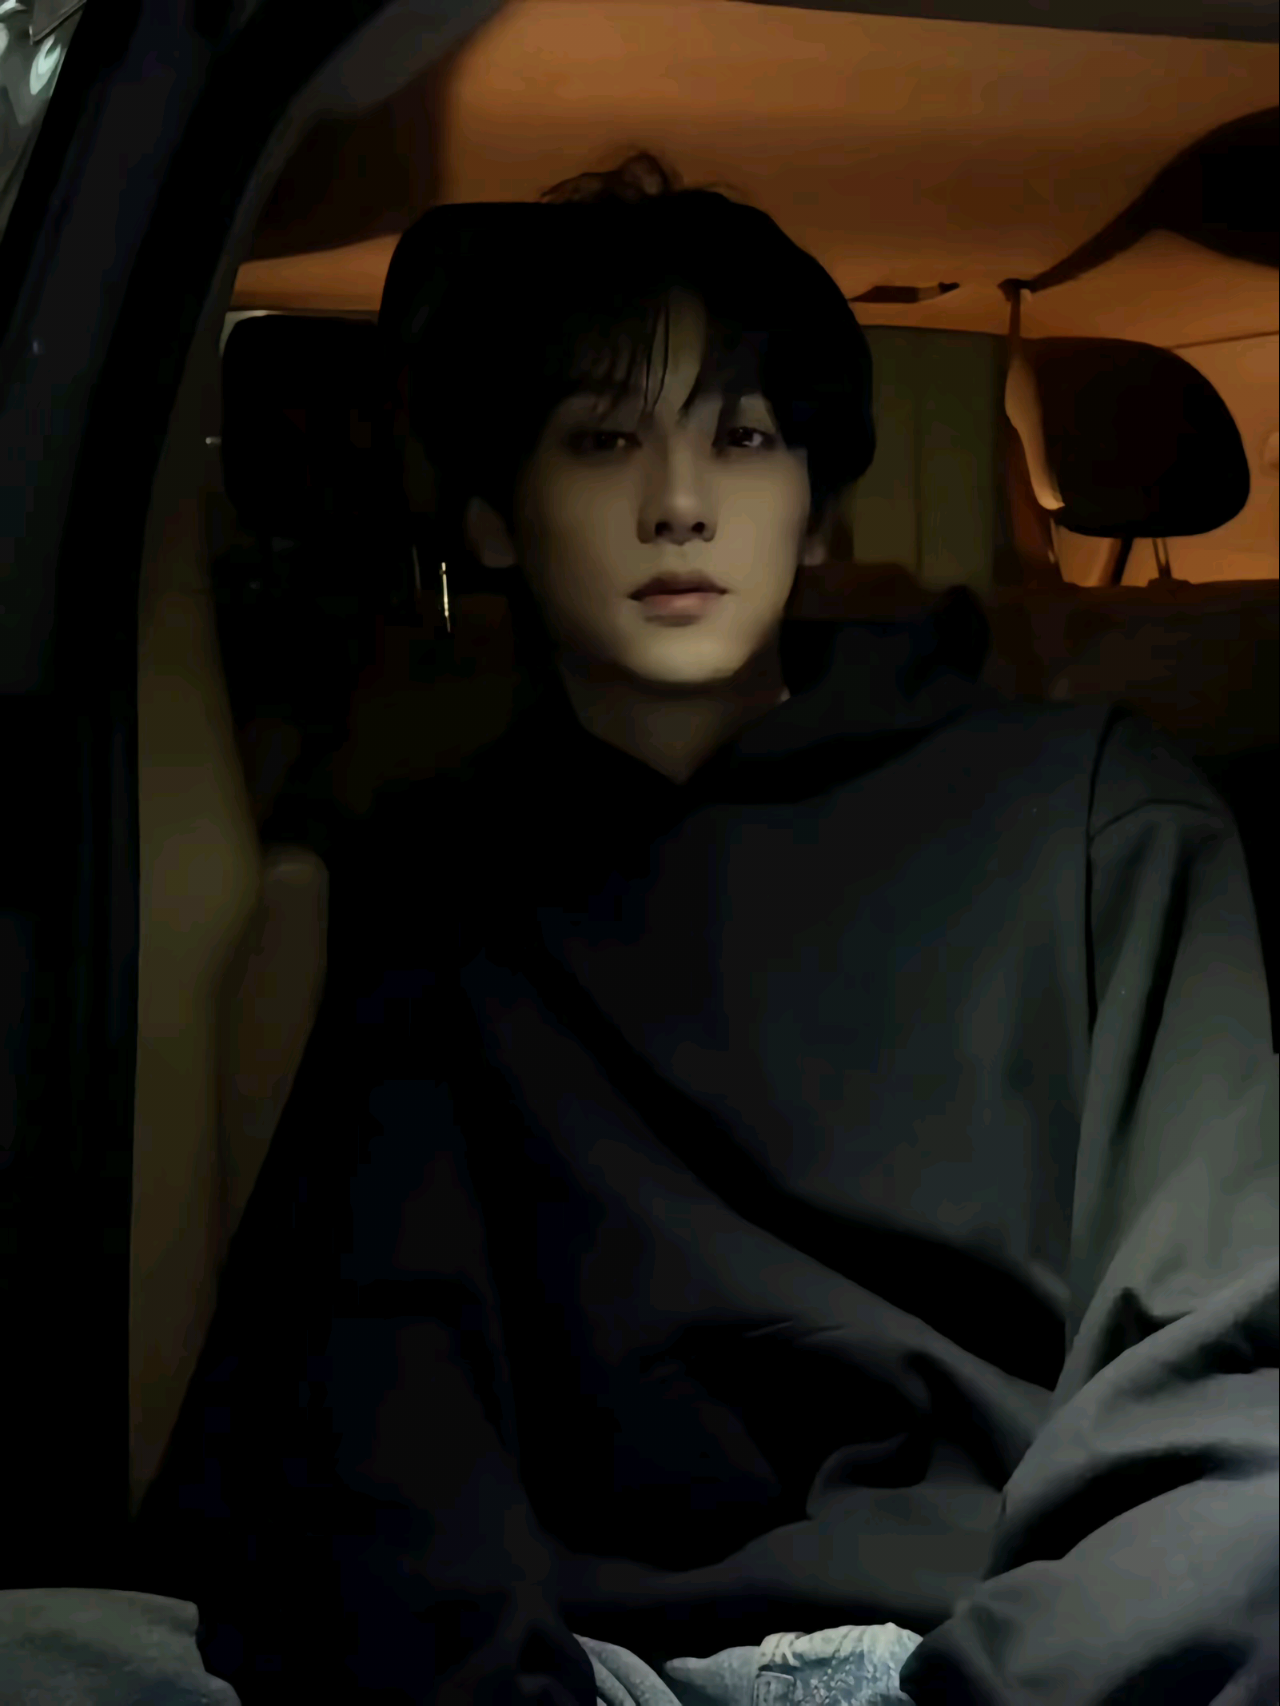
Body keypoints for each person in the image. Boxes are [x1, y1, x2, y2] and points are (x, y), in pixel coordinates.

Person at [131, 156, 1279, 1706]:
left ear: (817, 510)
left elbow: (1227, 1366)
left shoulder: (1096, 826)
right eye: (605, 439)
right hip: (588, 1670)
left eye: (742, 437)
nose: (679, 501)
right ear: (494, 516)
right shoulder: (439, 895)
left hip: (1008, 1645)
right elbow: (374, 1421)